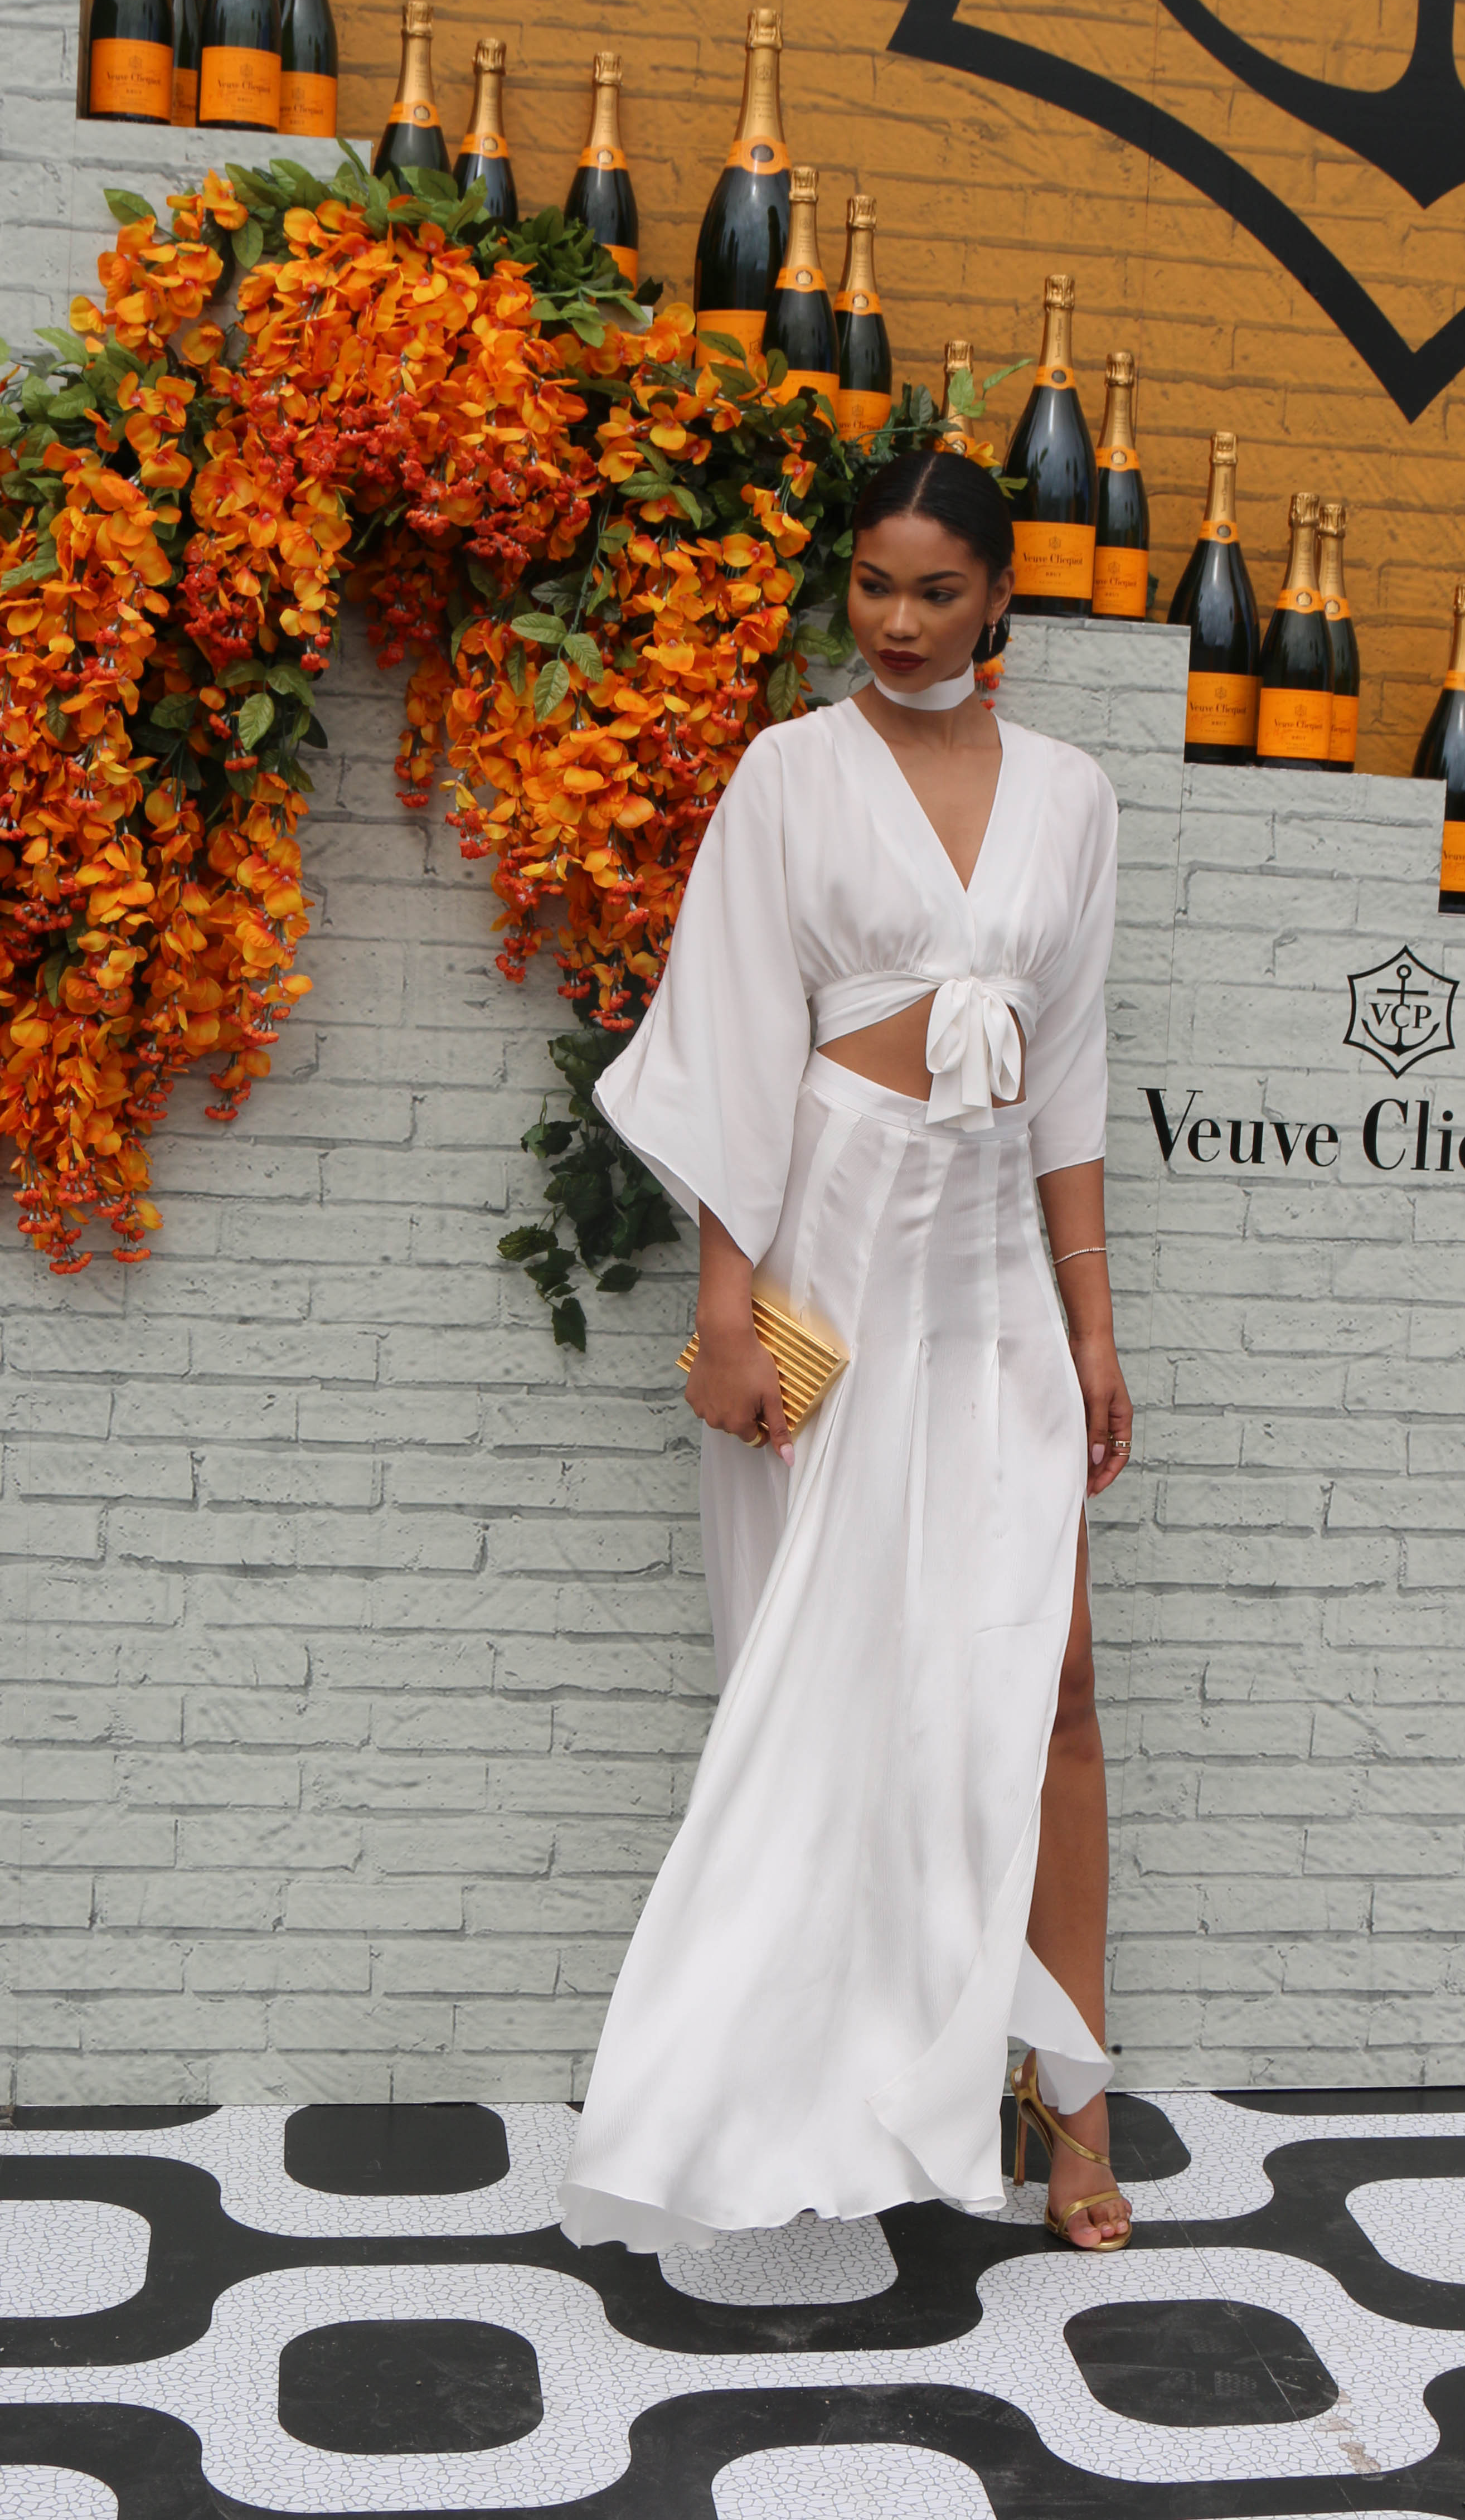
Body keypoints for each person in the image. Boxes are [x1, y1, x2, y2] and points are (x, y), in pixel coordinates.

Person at [557, 447, 1137, 2260]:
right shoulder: (790, 773)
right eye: (874, 585)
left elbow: (1070, 1072)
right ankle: (784, 2092)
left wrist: (1095, 1327)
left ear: (1000, 599)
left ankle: (1074, 2099)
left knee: (1057, 1686)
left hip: (996, 1276)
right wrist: (726, 1311)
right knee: (828, 1692)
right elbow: (733, 1040)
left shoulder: (1073, 794)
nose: (897, 621)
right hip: (831, 1252)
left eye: (936, 591)